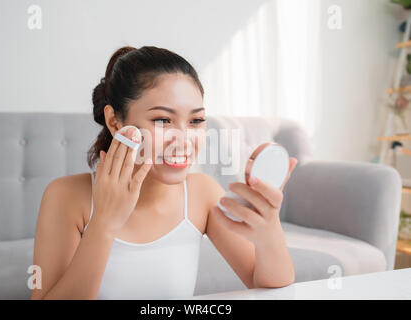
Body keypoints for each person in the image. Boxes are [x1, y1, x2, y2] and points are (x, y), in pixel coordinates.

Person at [30, 46, 297, 300]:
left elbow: (267, 285)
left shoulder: (200, 194)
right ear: (115, 121)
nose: (183, 140)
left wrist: (268, 229)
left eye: (195, 121)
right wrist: (103, 224)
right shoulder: (66, 197)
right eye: (162, 120)